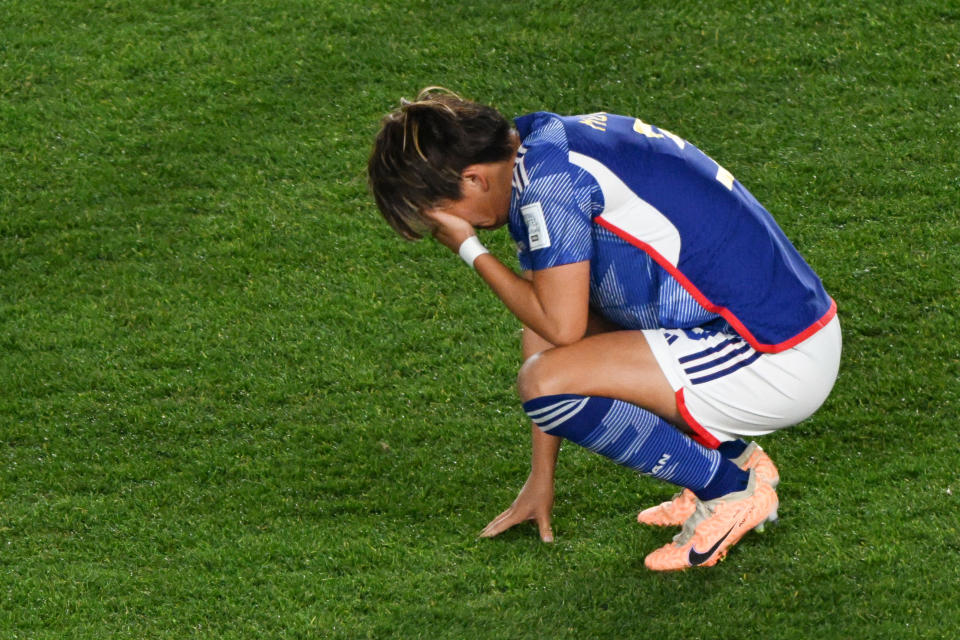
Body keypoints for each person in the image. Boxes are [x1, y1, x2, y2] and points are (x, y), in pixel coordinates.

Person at [367, 87, 841, 571]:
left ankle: (727, 490)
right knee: (553, 362)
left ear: (472, 179)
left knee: (544, 382)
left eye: (441, 218)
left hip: (776, 356)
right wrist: (540, 478)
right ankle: (737, 460)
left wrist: (471, 250)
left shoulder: (549, 184)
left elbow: (562, 330)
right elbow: (547, 328)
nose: (446, 229)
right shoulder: (541, 149)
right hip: (772, 325)